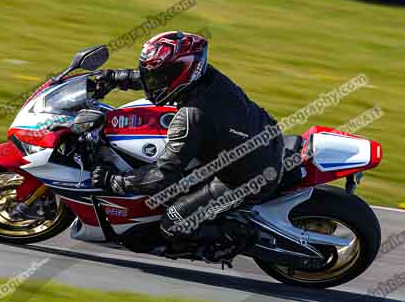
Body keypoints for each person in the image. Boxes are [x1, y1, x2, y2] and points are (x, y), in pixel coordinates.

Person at [90, 31, 284, 262]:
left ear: (181, 72)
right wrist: (116, 77)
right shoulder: (204, 76)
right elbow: (160, 78)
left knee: (173, 223)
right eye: (150, 74)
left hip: (247, 178)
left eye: (158, 76)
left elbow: (161, 176)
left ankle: (235, 237)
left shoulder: (192, 116)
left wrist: (115, 182)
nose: (152, 81)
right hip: (260, 137)